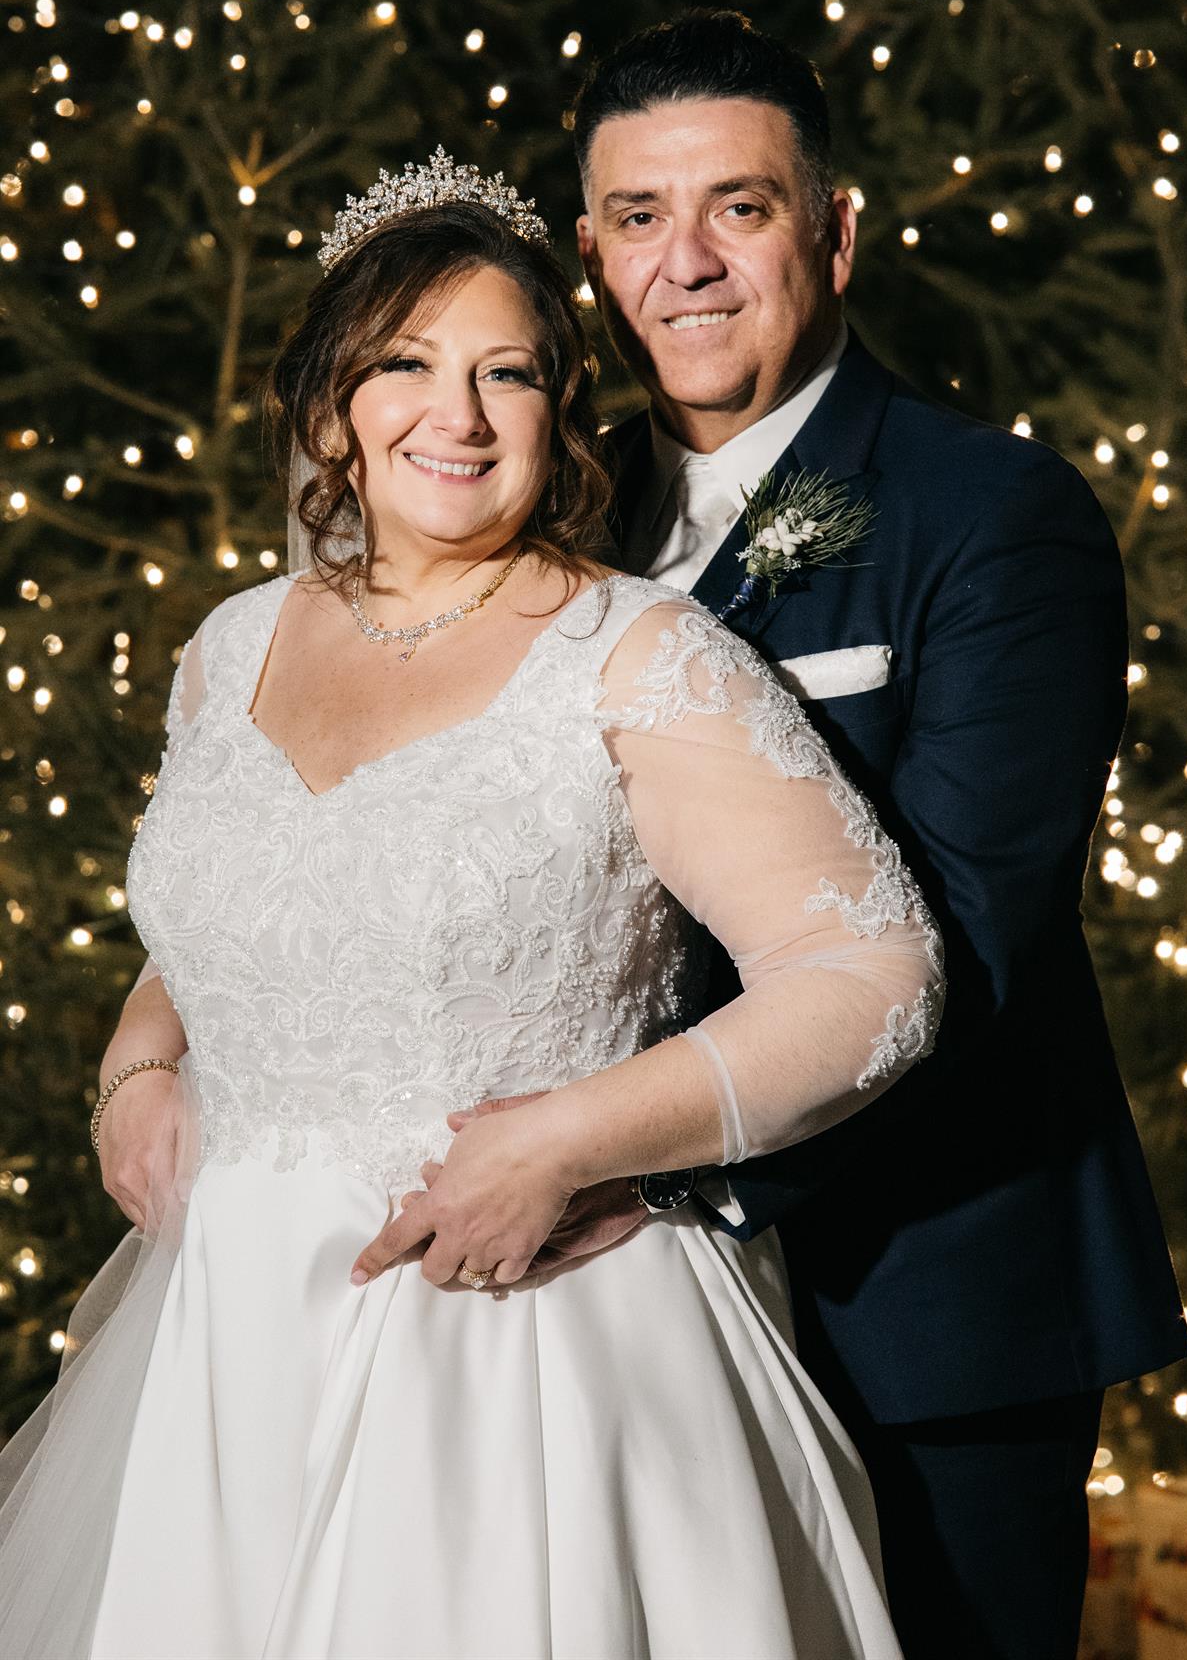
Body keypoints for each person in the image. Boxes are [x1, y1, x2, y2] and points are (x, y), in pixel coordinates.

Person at [0, 156, 943, 1657]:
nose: (460, 414)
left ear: (557, 413)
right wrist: (140, 1059)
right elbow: (246, 910)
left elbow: (872, 973)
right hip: (227, 1342)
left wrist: (566, 1142)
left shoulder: (636, 655)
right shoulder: (233, 644)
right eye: (407, 364)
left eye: (507, 372)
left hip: (517, 1347)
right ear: (331, 404)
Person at [462, 9, 1186, 1660]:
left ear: (835, 232)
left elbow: (971, 928)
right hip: (603, 1324)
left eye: (742, 206)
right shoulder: (541, 516)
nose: (688, 264)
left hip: (924, 1304)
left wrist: (645, 1167)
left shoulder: (995, 515)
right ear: (591, 254)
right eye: (639, 217)